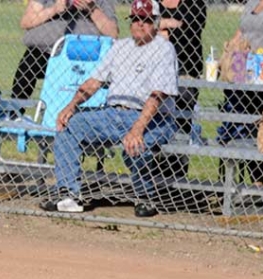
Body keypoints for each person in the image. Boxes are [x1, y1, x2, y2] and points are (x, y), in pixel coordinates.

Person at [39, 0, 179, 218]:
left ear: (156, 22)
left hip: (152, 118)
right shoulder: (120, 47)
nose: (140, 24)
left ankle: (146, 197)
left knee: (135, 146)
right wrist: (70, 106)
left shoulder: (163, 49)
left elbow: (157, 95)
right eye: (136, 19)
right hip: (113, 113)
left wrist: (137, 129)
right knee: (69, 125)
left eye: (146, 19)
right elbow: (94, 82)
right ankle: (68, 195)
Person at [216, 0, 263, 184]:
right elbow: (241, 32)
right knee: (238, 126)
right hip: (240, 68)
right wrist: (227, 55)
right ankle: (238, 182)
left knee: (260, 125)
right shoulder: (252, 3)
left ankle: (260, 180)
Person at [11, 0, 118, 101]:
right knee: (29, 62)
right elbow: (26, 22)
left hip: (84, 56)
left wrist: (92, 10)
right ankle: (14, 113)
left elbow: (112, 32)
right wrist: (54, 9)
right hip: (45, 52)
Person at [156, 0, 207, 181]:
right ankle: (152, 176)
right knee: (153, 121)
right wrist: (167, 24)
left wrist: (159, 25)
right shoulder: (153, 2)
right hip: (154, 70)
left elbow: (189, 30)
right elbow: (139, 25)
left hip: (186, 71)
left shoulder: (194, 4)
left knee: (180, 123)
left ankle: (176, 179)